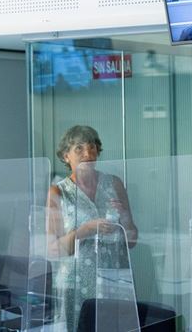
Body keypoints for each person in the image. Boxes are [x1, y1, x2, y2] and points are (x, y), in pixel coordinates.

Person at [47, 125, 138, 331]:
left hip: (113, 279)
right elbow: (53, 250)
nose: (88, 153)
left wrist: (123, 217)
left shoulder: (114, 183)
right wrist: (87, 229)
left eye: (92, 147)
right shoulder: (58, 191)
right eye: (79, 148)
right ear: (65, 156)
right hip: (75, 284)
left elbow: (132, 240)